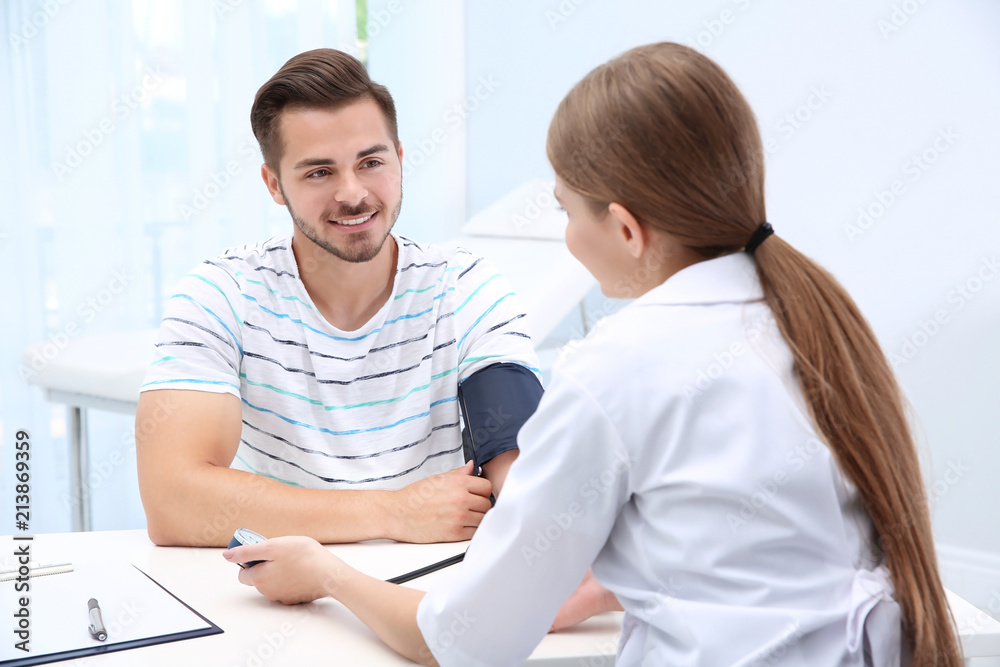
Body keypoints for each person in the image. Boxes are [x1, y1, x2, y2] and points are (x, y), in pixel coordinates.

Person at [223, 42, 962, 666]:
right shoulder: (814, 320)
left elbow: (467, 638)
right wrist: (620, 574)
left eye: (565, 210)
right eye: (319, 170)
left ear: (627, 229)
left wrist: (327, 572)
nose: (567, 237)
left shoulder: (613, 365)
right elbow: (761, 540)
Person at [136, 49, 543, 547]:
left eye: (371, 162)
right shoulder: (220, 296)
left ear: (399, 156)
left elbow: (525, 481)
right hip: (269, 595)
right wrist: (392, 513)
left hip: (426, 594)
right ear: (274, 184)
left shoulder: (467, 288)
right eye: (319, 172)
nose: (353, 194)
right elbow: (172, 502)